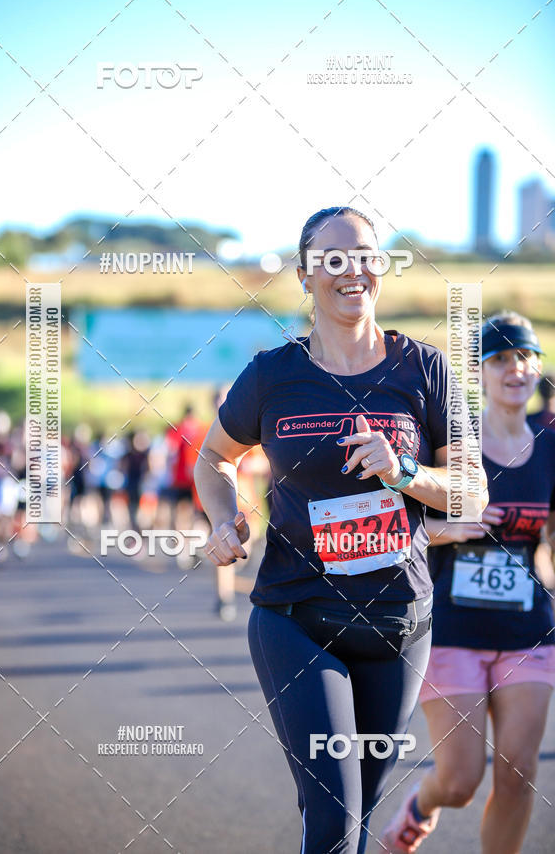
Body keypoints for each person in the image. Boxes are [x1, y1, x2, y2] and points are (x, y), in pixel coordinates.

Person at [194, 206, 487, 853]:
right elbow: (214, 457)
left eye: (364, 254)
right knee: (332, 813)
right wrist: (224, 517)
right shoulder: (274, 375)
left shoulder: (424, 370)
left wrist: (405, 470)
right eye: (332, 258)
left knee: (354, 815)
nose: (351, 269)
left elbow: (473, 488)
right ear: (305, 276)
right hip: (296, 616)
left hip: (399, 625)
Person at [380, 312, 555, 853]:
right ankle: (418, 808)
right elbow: (400, 528)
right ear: (478, 373)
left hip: (529, 630)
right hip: (451, 626)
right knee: (459, 782)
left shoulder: (550, 445)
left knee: (519, 772)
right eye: (500, 358)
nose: (515, 368)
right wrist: (453, 529)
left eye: (525, 357)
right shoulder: (454, 444)